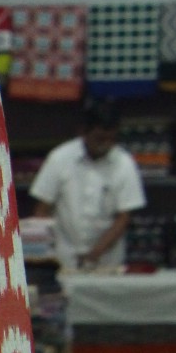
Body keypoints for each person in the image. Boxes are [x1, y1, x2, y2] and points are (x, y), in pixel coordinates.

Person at [30, 98, 146, 273]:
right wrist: (44, 253)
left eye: (111, 139)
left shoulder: (125, 164)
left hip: (107, 262)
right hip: (62, 260)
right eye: (100, 139)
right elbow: (42, 210)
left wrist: (95, 254)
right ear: (83, 132)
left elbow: (124, 218)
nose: (105, 145)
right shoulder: (59, 158)